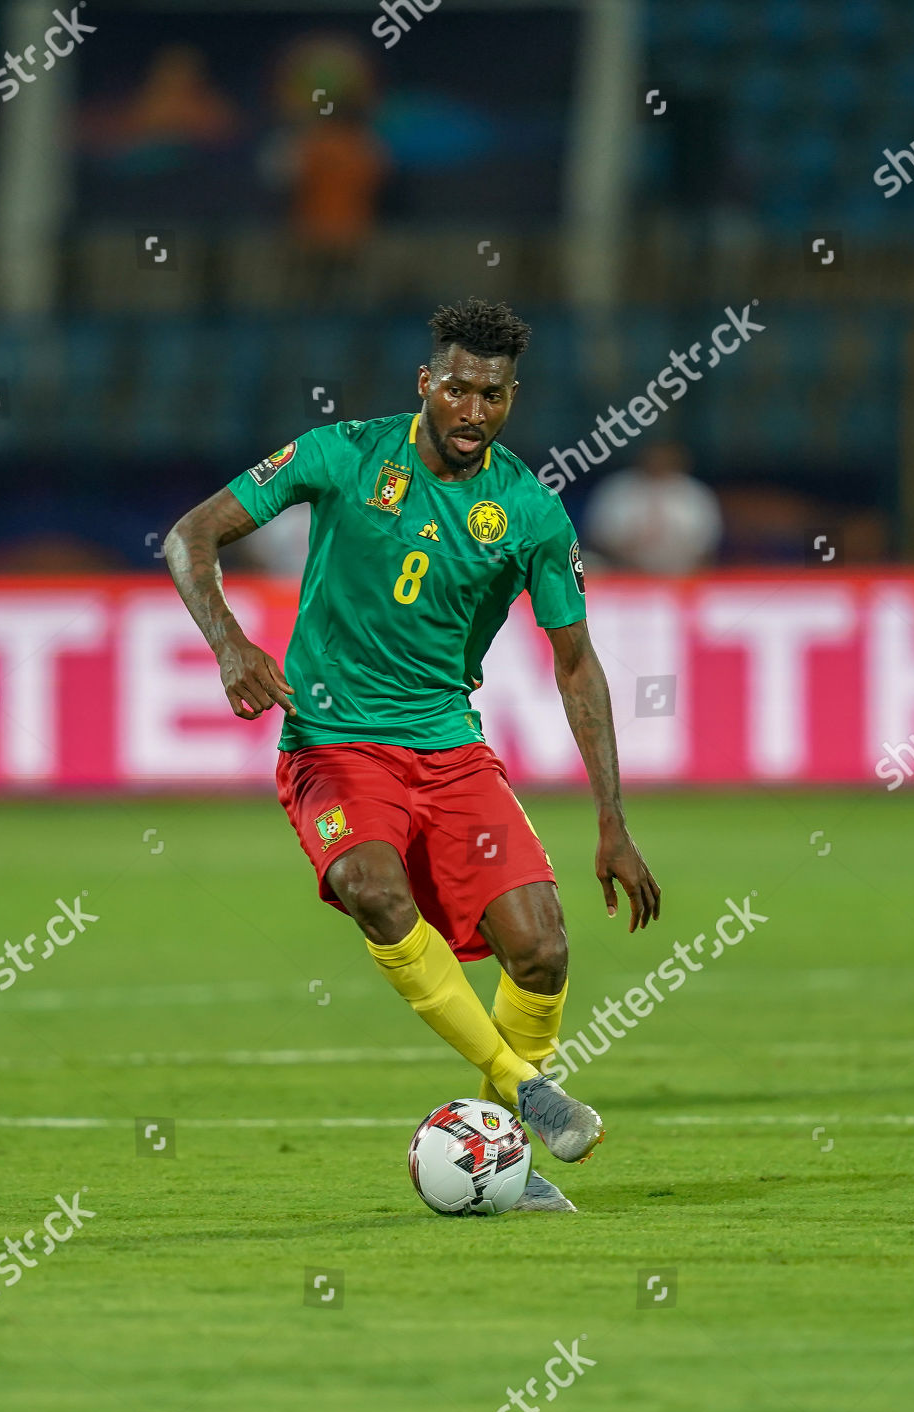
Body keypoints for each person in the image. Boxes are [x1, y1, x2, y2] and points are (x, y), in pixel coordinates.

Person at [165, 298, 661, 1213]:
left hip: (448, 748)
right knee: (372, 887)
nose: (474, 411)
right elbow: (187, 535)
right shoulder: (343, 452)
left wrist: (612, 819)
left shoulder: (527, 510)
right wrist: (231, 642)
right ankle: (523, 1091)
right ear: (425, 384)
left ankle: (502, 1151)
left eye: (495, 396)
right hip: (333, 743)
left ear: (513, 397)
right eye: (460, 389)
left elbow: (576, 663)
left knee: (542, 951)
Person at [584, 440, 722, 575]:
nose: (659, 462)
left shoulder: (696, 493)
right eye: (654, 457)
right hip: (624, 574)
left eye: (665, 458)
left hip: (682, 576)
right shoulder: (616, 489)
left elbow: (707, 547)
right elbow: (597, 539)